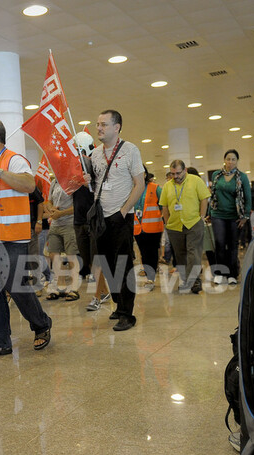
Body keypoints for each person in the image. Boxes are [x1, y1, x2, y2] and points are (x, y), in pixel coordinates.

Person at [0, 117, 52, 358]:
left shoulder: (13, 160)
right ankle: (0, 340)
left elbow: (29, 185)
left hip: (13, 237)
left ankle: (41, 324)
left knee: (16, 286)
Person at [88, 109, 145, 331]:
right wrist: (86, 180)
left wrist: (123, 211)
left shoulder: (130, 150)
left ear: (117, 127)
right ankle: (119, 306)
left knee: (123, 264)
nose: (99, 128)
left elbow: (139, 184)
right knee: (107, 263)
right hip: (100, 218)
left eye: (103, 124)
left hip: (121, 216)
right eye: (98, 124)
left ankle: (127, 314)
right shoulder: (95, 154)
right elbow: (95, 184)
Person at [73, 132, 111, 312]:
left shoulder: (97, 166)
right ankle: (104, 292)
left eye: (79, 150)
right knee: (88, 261)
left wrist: (91, 183)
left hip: (94, 219)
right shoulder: (73, 168)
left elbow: (106, 187)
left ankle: (97, 296)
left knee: (97, 261)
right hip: (78, 219)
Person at [160, 160, 210, 294]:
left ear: (185, 170)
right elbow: (164, 206)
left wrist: (201, 217)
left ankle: (195, 281)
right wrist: (167, 223)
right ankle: (186, 280)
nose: (175, 176)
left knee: (193, 252)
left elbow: (204, 198)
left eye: (178, 173)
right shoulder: (167, 186)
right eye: (172, 173)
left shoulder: (195, 181)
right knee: (180, 254)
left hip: (193, 223)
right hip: (174, 226)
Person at [208, 149, 251, 285]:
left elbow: (248, 197)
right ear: (224, 160)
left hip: (235, 216)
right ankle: (219, 273)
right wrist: (209, 213)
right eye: (228, 159)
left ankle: (232, 274)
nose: (230, 162)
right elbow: (212, 195)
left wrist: (245, 216)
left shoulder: (242, 177)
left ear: (237, 161)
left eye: (233, 159)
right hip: (218, 214)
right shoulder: (216, 175)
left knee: (233, 245)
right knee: (220, 243)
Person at [43, 172, 80, 301]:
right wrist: (51, 209)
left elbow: (78, 206)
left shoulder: (73, 182)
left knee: (71, 256)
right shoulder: (54, 182)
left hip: (69, 223)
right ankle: (61, 287)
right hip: (55, 224)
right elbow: (49, 201)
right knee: (54, 255)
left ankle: (74, 288)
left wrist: (62, 213)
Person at [133, 167, 163, 290]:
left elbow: (163, 205)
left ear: (145, 174)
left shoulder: (155, 188)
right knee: (143, 253)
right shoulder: (130, 189)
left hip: (153, 226)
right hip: (138, 227)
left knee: (152, 252)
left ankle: (151, 279)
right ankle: (149, 277)